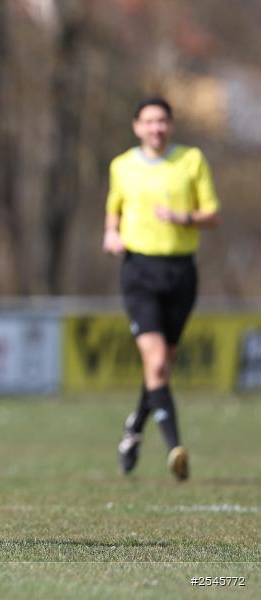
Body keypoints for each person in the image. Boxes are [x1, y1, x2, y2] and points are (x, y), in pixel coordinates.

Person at [103, 97, 220, 481]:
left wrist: (182, 217)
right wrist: (111, 233)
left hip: (181, 272)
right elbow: (113, 208)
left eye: (162, 121)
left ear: (171, 125)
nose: (156, 128)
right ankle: (175, 448)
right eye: (149, 122)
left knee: (162, 367)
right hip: (139, 271)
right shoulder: (122, 165)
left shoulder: (191, 160)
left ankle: (135, 427)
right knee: (155, 363)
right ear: (137, 126)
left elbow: (212, 214)